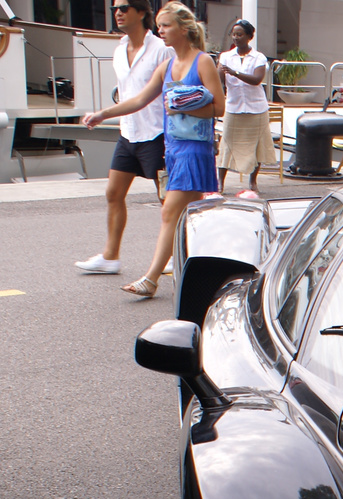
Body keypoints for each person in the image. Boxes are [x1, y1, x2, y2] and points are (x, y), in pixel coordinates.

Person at [83, 2, 223, 298]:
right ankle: (204, 266)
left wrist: (181, 107)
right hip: (172, 147)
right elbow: (138, 100)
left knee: (170, 211)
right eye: (159, 26)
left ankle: (151, 279)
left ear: (184, 29)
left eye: (166, 25)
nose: (161, 31)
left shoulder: (203, 62)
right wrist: (102, 114)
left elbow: (219, 107)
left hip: (194, 149)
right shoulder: (168, 66)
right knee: (186, 214)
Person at [74, 0, 170, 276]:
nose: (118, 12)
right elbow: (127, 91)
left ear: (141, 12)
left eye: (125, 7)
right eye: (115, 8)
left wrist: (103, 113)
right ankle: (110, 257)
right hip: (128, 131)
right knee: (113, 193)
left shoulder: (161, 49)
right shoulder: (118, 50)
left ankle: (177, 253)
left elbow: (151, 94)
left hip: (157, 132)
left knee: (168, 200)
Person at [216, 20, 273, 194]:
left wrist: (235, 73)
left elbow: (256, 80)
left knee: (257, 145)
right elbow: (220, 80)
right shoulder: (226, 56)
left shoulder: (259, 58)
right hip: (234, 107)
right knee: (226, 144)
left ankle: (253, 181)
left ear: (249, 37)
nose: (236, 38)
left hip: (256, 108)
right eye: (234, 34)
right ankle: (220, 182)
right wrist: (219, 72)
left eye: (240, 34)